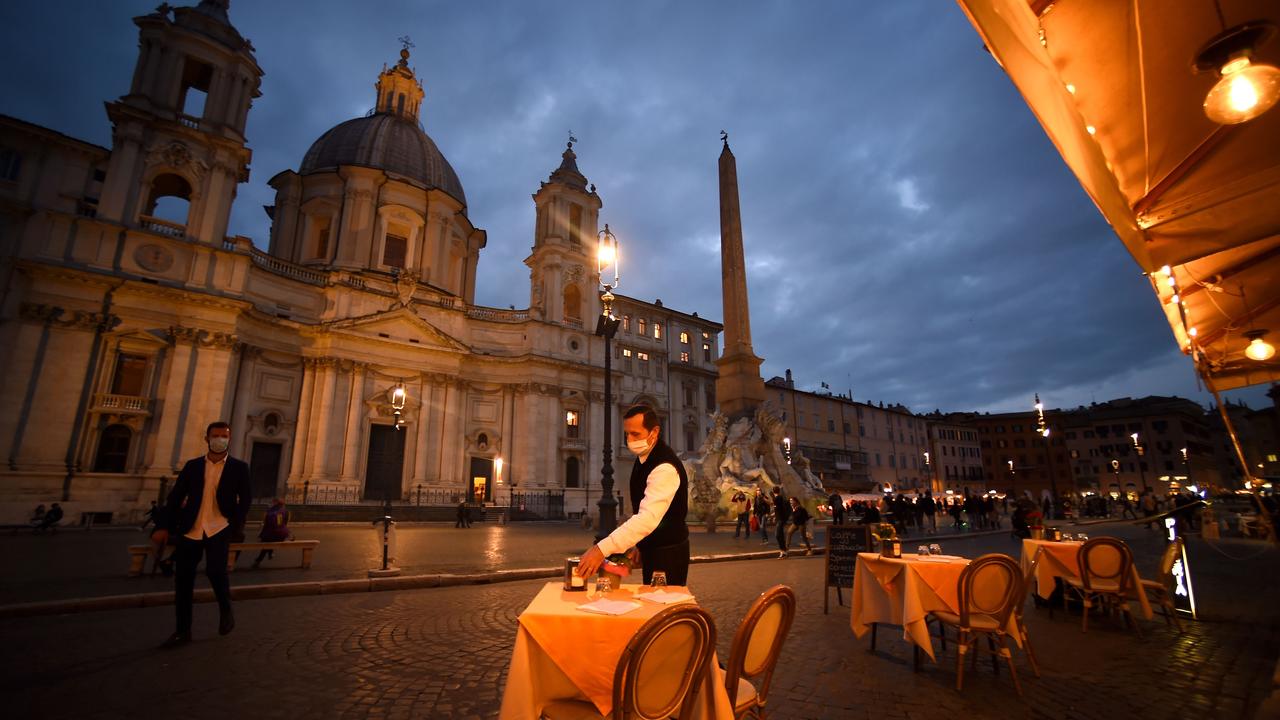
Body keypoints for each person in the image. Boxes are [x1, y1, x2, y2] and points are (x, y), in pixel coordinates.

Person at [155, 421, 251, 648]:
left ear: (230, 439)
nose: (220, 439)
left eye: (224, 436)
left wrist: (235, 526)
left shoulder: (239, 467)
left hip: (219, 526)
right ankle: (182, 630)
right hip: (192, 528)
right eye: (216, 435)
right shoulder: (193, 466)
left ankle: (226, 609)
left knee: (216, 571)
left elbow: (245, 500)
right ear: (207, 438)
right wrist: (163, 526)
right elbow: (175, 498)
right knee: (183, 580)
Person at [577, 405, 690, 585]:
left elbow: (647, 518)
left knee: (664, 607)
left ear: (654, 432)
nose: (629, 439)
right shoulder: (645, 457)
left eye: (635, 434)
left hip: (669, 554)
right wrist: (642, 544)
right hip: (654, 550)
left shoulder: (664, 467)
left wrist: (600, 549)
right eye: (627, 434)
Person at [252, 498, 291, 567]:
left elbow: (266, 526)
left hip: (270, 536)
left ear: (274, 503)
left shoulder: (269, 512)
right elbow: (285, 524)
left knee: (266, 541)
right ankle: (269, 553)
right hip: (281, 536)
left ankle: (259, 560)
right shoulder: (286, 512)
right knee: (270, 540)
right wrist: (288, 534)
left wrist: (260, 536)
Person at [771, 485, 792, 558]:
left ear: (773, 491)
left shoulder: (778, 498)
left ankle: (783, 550)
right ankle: (784, 552)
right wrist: (774, 516)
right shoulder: (779, 498)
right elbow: (778, 509)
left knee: (777, 534)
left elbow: (775, 506)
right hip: (780, 519)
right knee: (780, 535)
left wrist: (764, 498)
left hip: (781, 519)